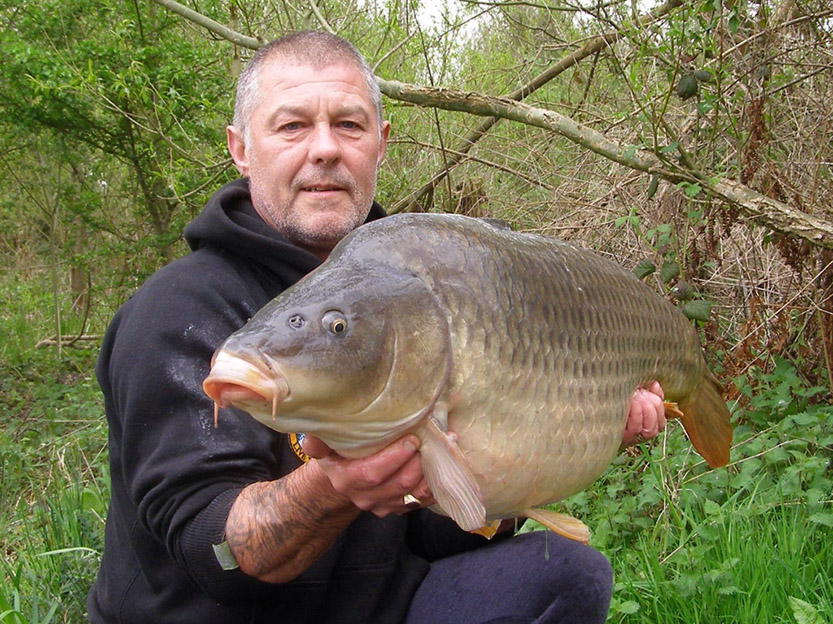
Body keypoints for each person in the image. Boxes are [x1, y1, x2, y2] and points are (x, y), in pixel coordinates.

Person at [87, 30, 666, 624]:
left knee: (566, 570)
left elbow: (430, 538)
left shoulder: (418, 294)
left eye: (349, 125)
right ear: (240, 148)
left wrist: (542, 456)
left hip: (373, 608)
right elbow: (217, 556)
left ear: (381, 143)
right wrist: (337, 487)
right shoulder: (175, 311)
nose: (325, 150)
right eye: (291, 127)